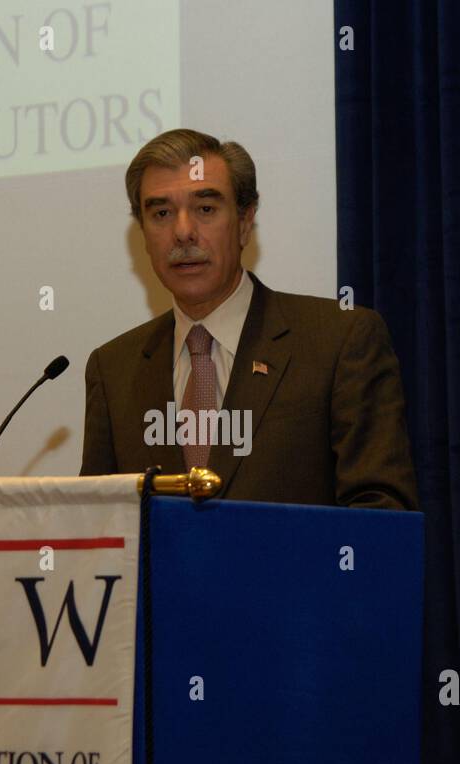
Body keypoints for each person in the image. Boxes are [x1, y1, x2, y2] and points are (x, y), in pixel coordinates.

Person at [79, 128, 419, 510]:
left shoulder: (340, 342)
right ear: (143, 233)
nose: (183, 232)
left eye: (205, 209)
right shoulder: (113, 370)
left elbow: (381, 512)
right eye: (161, 213)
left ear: (244, 222)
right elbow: (98, 526)